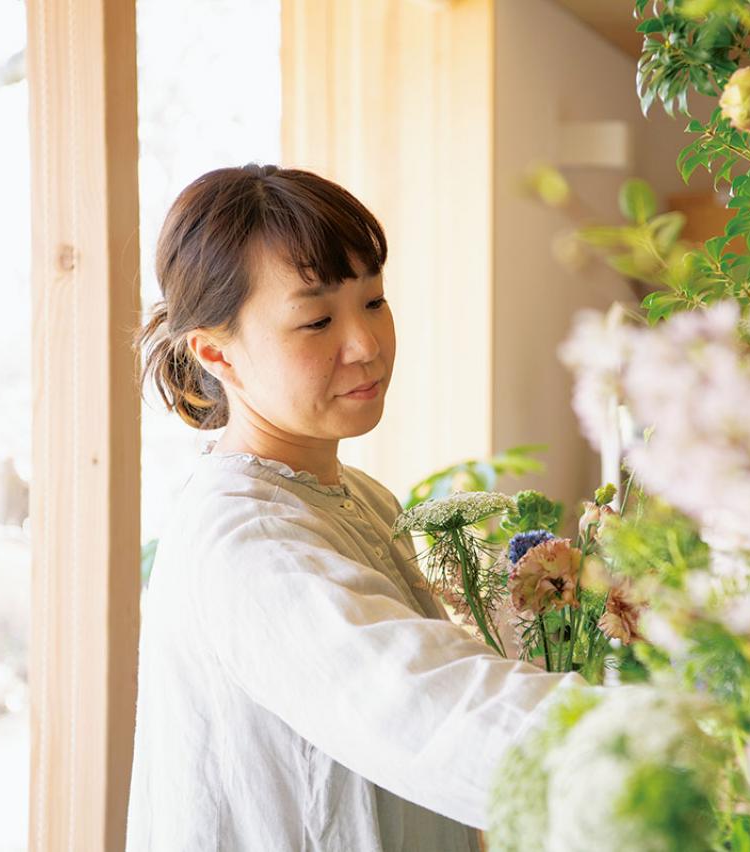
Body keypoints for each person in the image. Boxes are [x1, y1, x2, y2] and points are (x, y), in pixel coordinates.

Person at [127, 164, 586, 851]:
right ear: (216, 352)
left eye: (373, 301)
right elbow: (430, 709)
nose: (366, 345)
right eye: (316, 319)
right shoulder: (245, 539)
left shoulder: (360, 496)